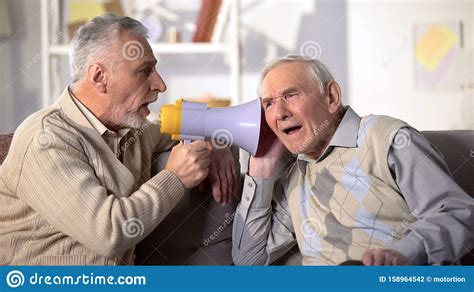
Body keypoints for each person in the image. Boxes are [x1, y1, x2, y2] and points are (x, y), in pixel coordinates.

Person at [0, 13, 236, 265]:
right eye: (144, 71)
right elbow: (109, 234)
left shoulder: (131, 128)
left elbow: (175, 128)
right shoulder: (45, 139)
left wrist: (211, 139)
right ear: (99, 77)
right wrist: (175, 177)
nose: (160, 84)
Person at [232, 55, 474, 265]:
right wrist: (261, 168)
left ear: (332, 97)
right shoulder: (294, 175)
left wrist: (402, 254)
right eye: (269, 103)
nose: (279, 113)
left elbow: (456, 212)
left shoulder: (387, 139)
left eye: (291, 94)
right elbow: (249, 261)